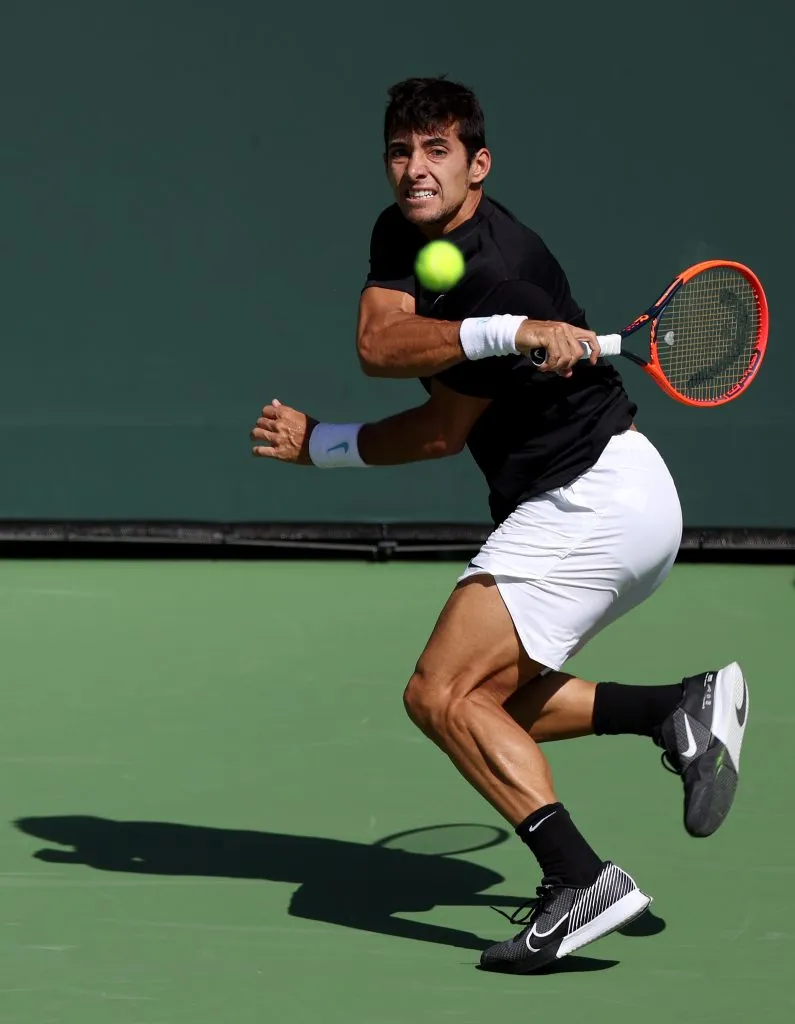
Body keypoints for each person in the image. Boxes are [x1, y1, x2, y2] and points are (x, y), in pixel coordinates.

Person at [250, 77, 749, 974]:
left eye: (436, 152)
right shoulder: (402, 231)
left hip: (592, 497)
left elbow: (394, 366)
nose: (414, 170)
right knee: (488, 711)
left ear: (477, 164)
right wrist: (323, 445)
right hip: (603, 501)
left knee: (438, 694)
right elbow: (402, 370)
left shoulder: (501, 271)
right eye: (400, 152)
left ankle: (579, 879)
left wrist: (502, 325)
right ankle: (676, 708)